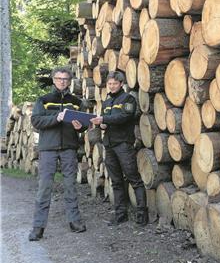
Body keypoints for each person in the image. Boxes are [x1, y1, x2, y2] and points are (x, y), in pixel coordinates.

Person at [28, 66, 87, 241]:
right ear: (53, 80)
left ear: (69, 81)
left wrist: (81, 126)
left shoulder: (76, 101)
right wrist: (56, 118)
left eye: (65, 79)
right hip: (48, 149)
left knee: (70, 186)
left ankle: (74, 222)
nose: (62, 81)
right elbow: (36, 121)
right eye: (59, 78)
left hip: (69, 148)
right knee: (44, 187)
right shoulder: (44, 100)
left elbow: (84, 123)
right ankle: (38, 227)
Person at [91, 71, 148, 226]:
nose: (112, 86)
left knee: (134, 179)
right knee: (116, 181)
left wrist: (104, 119)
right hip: (109, 145)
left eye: (115, 83)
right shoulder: (106, 103)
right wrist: (102, 124)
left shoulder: (128, 99)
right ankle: (120, 214)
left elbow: (125, 117)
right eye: (109, 83)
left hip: (124, 145)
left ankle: (142, 215)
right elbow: (106, 122)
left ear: (121, 84)